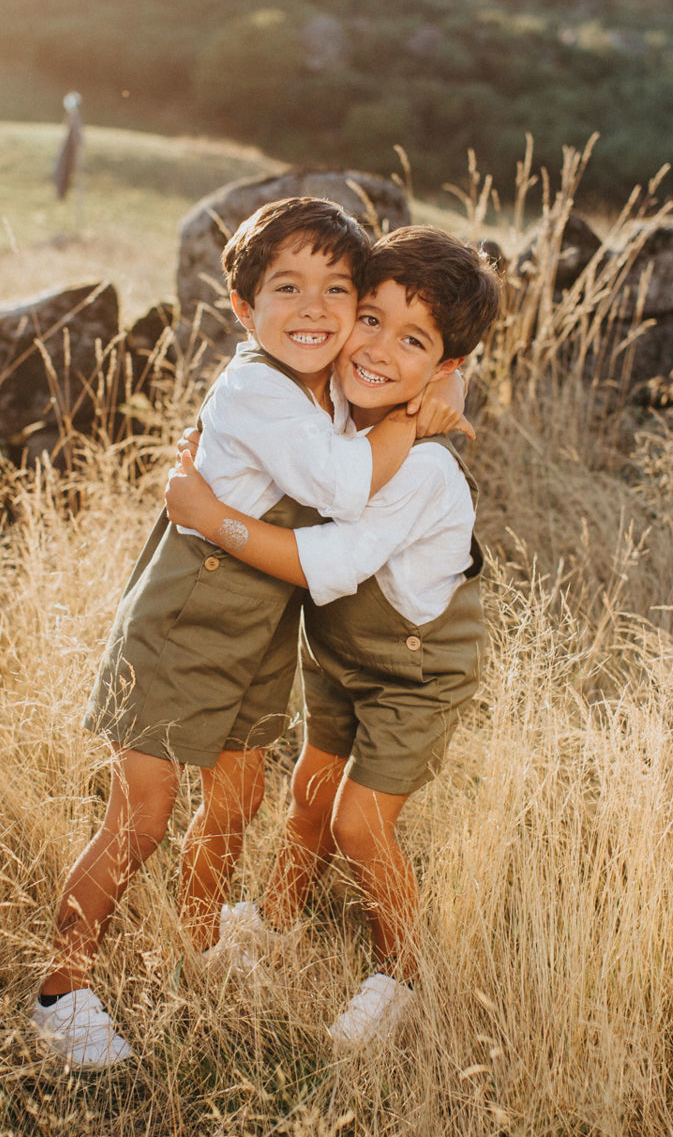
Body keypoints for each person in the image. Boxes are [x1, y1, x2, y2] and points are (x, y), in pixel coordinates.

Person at [32, 198, 466, 1068]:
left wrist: (441, 382)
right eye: (286, 288)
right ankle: (61, 988)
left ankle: (200, 947)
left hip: (262, 626)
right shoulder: (259, 388)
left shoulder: (333, 389)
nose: (313, 308)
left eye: (337, 291)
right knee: (142, 813)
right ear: (243, 308)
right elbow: (344, 488)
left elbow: (409, 361)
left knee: (238, 798)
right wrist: (416, 421)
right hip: (188, 613)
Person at [164, 225, 501, 1048]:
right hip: (341, 649)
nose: (378, 347)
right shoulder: (337, 409)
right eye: (370, 318)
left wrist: (215, 520)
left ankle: (401, 974)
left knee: (358, 823)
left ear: (445, 366)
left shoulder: (422, 465)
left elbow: (328, 562)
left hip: (417, 669)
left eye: (412, 340)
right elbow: (281, 422)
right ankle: (279, 920)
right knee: (308, 798)